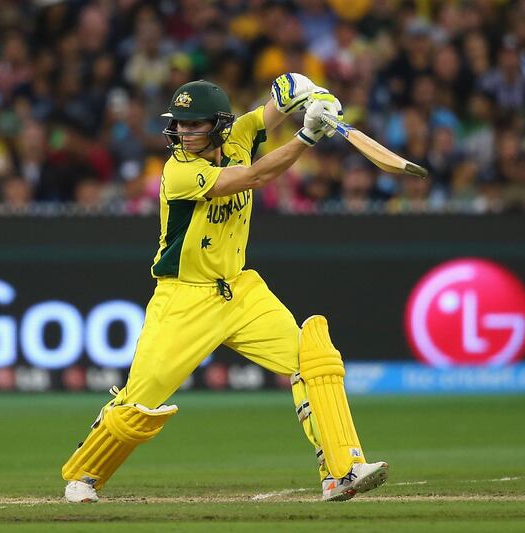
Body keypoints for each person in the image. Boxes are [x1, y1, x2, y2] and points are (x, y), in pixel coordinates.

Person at [61, 74, 388, 503]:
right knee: (141, 400)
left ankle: (341, 470)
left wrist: (308, 94)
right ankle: (84, 474)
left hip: (240, 289)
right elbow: (251, 178)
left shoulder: (238, 136)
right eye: (179, 123)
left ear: (217, 125)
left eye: (195, 124)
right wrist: (308, 135)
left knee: (314, 359)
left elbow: (274, 107)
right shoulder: (178, 171)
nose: (184, 132)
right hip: (184, 297)